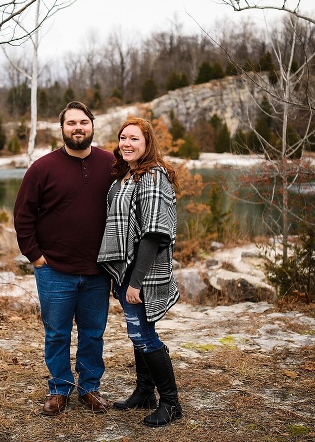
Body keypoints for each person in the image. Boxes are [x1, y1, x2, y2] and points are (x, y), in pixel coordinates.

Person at [13, 101, 115, 416]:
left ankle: (89, 388)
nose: (78, 128)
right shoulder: (42, 168)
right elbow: (22, 215)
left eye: (83, 122)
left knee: (93, 332)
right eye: (71, 123)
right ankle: (59, 388)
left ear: (92, 125)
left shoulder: (110, 164)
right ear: (62, 129)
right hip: (54, 269)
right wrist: (36, 256)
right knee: (57, 332)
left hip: (98, 270)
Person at [97, 116, 182, 427]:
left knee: (145, 336)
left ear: (147, 144)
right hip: (125, 273)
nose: (126, 143)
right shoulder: (126, 177)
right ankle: (145, 392)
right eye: (123, 138)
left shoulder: (152, 176)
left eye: (134, 138)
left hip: (140, 275)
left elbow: (154, 233)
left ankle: (171, 404)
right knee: (138, 335)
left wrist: (136, 282)